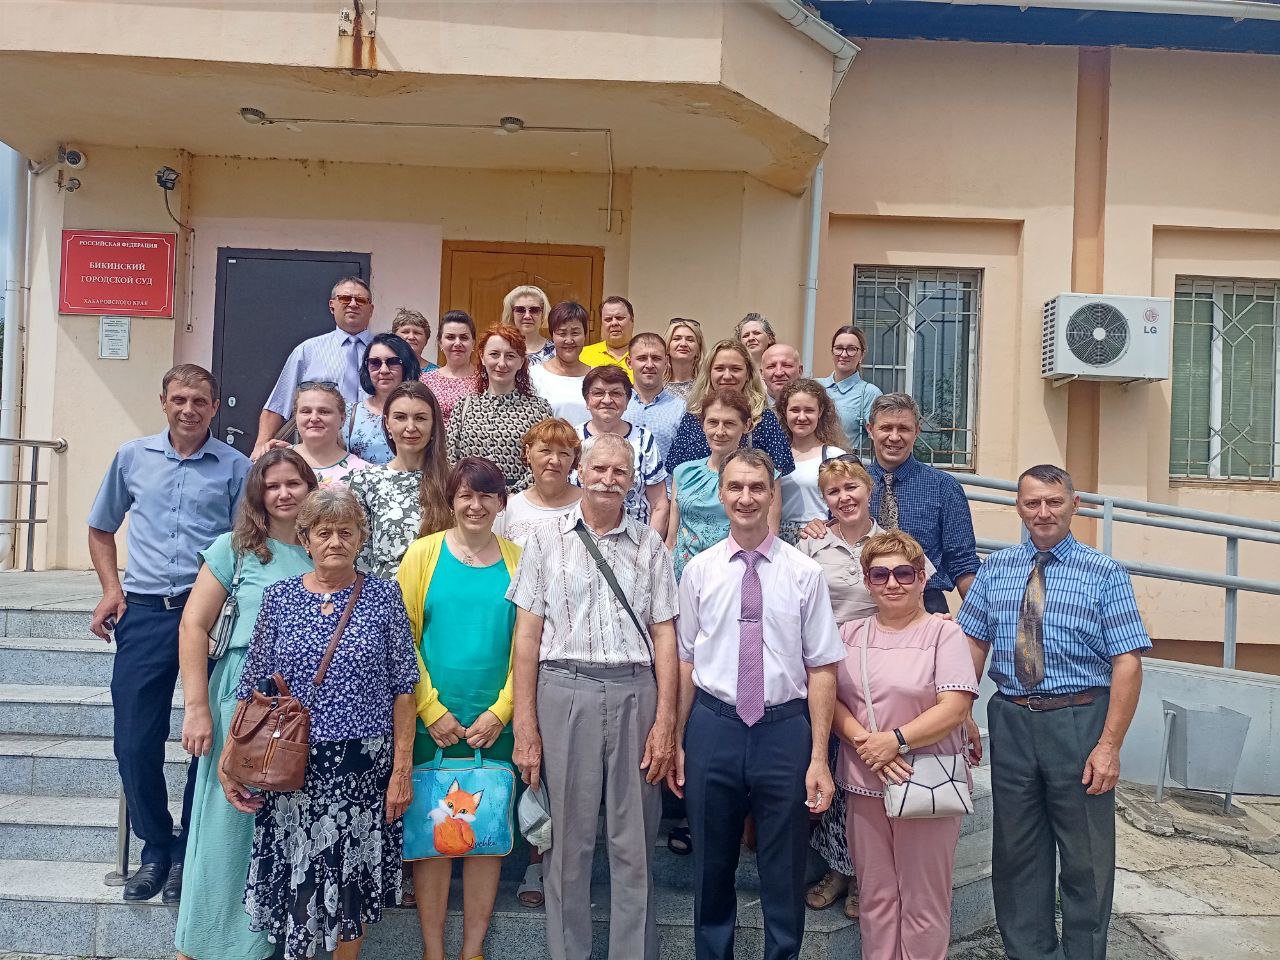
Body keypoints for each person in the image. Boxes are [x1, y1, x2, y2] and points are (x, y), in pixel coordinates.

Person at [958, 464, 1151, 960]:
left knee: (1085, 856)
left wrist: (1109, 745)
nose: (1043, 512)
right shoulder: (996, 569)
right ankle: (1030, 953)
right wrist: (962, 711)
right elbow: (972, 643)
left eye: (1053, 501)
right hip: (1011, 718)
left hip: (1079, 721)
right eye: (1032, 503)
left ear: (1074, 505)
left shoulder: (1104, 573)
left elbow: (1127, 662)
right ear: (1019, 507)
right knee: (1016, 851)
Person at [224, 486, 419, 960]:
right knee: (297, 871)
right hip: (291, 762)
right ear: (305, 539)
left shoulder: (384, 596)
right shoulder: (280, 598)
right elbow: (254, 685)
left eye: (346, 532)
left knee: (351, 878)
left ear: (361, 538)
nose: (335, 542)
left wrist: (401, 769)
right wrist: (230, 760)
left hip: (361, 766)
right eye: (324, 532)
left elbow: (404, 687)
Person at [509, 433, 679, 960]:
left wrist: (666, 723)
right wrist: (525, 727)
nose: (609, 479)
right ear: (580, 471)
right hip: (564, 690)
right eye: (600, 469)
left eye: (620, 472)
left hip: (636, 691)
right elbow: (526, 637)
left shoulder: (650, 545)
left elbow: (666, 636)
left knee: (634, 844)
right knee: (567, 844)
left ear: (633, 480)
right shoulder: (545, 540)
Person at [669, 447, 843, 960]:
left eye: (756, 488)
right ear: (721, 495)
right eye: (736, 487)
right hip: (714, 726)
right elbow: (685, 660)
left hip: (783, 730)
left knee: (784, 867)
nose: (746, 497)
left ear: (772, 495)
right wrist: (677, 739)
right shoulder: (699, 571)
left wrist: (818, 757)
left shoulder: (803, 573)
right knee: (711, 865)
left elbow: (823, 666)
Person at [87, 363, 250, 904]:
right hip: (146, 613)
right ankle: (155, 845)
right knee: (134, 740)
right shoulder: (132, 457)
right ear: (163, 401)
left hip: (210, 616)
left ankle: (186, 850)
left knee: (208, 736)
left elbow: (245, 544)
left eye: (200, 401)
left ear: (214, 406)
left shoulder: (236, 467)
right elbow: (101, 527)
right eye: (179, 399)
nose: (189, 410)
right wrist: (111, 589)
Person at [174, 448, 317, 960]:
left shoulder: (325, 548)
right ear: (258, 494)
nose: (283, 494)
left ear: (310, 488)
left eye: (293, 483)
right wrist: (197, 708)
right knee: (231, 823)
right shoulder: (235, 549)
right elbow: (193, 625)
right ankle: (212, 944)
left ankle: (274, 941)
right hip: (244, 698)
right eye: (272, 485)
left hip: (305, 705)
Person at [396, 457, 521, 960]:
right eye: (466, 495)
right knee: (433, 838)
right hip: (433, 725)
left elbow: (529, 645)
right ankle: (434, 951)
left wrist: (503, 711)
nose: (475, 505)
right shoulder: (422, 554)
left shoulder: (519, 560)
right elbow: (402, 639)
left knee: (483, 835)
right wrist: (430, 709)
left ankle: (473, 951)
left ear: (501, 503)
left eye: (486, 495)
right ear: (451, 500)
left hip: (494, 726)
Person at [833, 530, 979, 960]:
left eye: (903, 573)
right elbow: (830, 700)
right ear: (867, 581)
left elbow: (955, 707)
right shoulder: (849, 634)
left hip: (925, 780)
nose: (892, 583)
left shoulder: (943, 634)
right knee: (875, 897)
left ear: (921, 578)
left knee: (924, 901)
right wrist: (869, 745)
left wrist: (895, 741)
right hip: (865, 780)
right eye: (880, 575)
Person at [864, 393, 979, 614]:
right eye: (886, 428)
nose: (894, 437)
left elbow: (963, 561)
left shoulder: (943, 487)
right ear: (870, 430)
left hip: (927, 604)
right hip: (865, 604)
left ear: (917, 431)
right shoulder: (853, 486)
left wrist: (979, 619)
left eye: (904, 428)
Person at [254, 277, 374, 459]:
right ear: (332, 305)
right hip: (321, 452)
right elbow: (278, 404)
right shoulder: (308, 350)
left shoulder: (386, 351)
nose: (352, 304)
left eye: (360, 300)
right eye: (345, 298)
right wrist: (260, 446)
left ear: (371, 309)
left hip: (375, 450)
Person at [348, 381, 451, 580]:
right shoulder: (365, 482)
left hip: (441, 590)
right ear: (387, 423)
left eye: (420, 418)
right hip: (387, 593)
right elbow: (360, 558)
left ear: (434, 424)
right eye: (400, 417)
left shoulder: (454, 480)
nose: (410, 427)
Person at [667, 389, 760, 581]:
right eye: (712, 422)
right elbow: (672, 538)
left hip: (732, 576)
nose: (719, 432)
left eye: (729, 423)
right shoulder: (683, 472)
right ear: (702, 424)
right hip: (683, 577)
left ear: (746, 425)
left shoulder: (761, 475)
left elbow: (768, 532)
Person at [447, 324, 554, 492]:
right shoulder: (464, 406)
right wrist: (468, 493)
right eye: (494, 354)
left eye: (510, 356)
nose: (502, 363)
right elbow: (450, 457)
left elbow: (544, 459)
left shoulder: (539, 409)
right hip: (471, 499)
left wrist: (512, 495)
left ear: (521, 361)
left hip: (520, 500)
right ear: (482, 357)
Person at [665, 339, 795, 477]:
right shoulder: (693, 417)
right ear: (709, 373)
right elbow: (676, 470)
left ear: (748, 374)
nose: (727, 376)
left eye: (736, 369)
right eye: (719, 368)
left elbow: (777, 473)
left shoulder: (764, 418)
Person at [573, 365, 668, 534]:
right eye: (598, 393)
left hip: (635, 537)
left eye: (616, 393)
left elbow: (659, 504)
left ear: (627, 401)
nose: (607, 400)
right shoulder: (572, 439)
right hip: (581, 536)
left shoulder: (644, 439)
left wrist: (648, 545)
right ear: (587, 400)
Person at [777, 379, 850, 544]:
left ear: (820, 412)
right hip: (780, 540)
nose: (801, 417)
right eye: (795, 410)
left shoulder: (834, 456)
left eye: (809, 410)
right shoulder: (775, 456)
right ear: (784, 412)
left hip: (820, 537)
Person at [493, 419, 583, 549]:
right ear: (528, 452)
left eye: (564, 453)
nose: (555, 461)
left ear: (574, 458)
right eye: (546, 451)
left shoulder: (588, 504)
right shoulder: (509, 509)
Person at [344, 334, 422, 465]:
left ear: (406, 366)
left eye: (393, 362)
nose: (384, 370)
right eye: (375, 363)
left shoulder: (422, 412)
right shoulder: (349, 413)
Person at [287, 381, 369, 486]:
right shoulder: (274, 461)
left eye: (324, 411)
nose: (314, 418)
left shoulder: (363, 473)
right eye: (306, 411)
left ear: (342, 419)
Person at [818, 326, 881, 457]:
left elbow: (879, 435)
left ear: (862, 355)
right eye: (839, 348)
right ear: (832, 352)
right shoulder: (816, 386)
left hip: (844, 464)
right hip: (811, 463)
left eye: (851, 349)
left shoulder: (869, 393)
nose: (844, 354)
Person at [625, 331, 686, 467]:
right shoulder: (616, 405)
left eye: (656, 358)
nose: (649, 365)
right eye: (642, 358)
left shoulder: (681, 409)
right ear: (629, 362)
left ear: (666, 362)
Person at [528, 300, 591, 426]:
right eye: (562, 333)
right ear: (552, 336)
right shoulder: (534, 375)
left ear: (585, 334)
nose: (569, 340)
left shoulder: (596, 377)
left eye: (575, 333)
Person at [421, 310, 479, 424]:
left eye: (464, 337)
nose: (457, 343)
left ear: (473, 343)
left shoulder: (485, 380)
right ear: (440, 343)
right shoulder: (425, 381)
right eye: (450, 337)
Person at [579, 294, 635, 379]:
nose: (614, 323)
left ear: (632, 320)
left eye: (619, 318)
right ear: (601, 324)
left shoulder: (645, 356)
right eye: (608, 319)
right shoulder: (582, 355)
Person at [503, 284, 555, 366]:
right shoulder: (500, 348)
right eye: (520, 310)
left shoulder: (556, 351)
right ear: (512, 314)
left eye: (534, 310)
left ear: (543, 314)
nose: (527, 316)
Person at [665, 318, 703, 402]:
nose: (683, 344)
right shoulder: (656, 388)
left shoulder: (706, 388)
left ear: (698, 350)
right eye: (677, 339)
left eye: (690, 340)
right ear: (667, 347)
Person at [392, 307, 439, 373]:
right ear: (394, 337)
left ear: (426, 339)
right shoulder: (383, 369)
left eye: (417, 333)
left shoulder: (437, 373)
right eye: (405, 332)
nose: (411, 337)